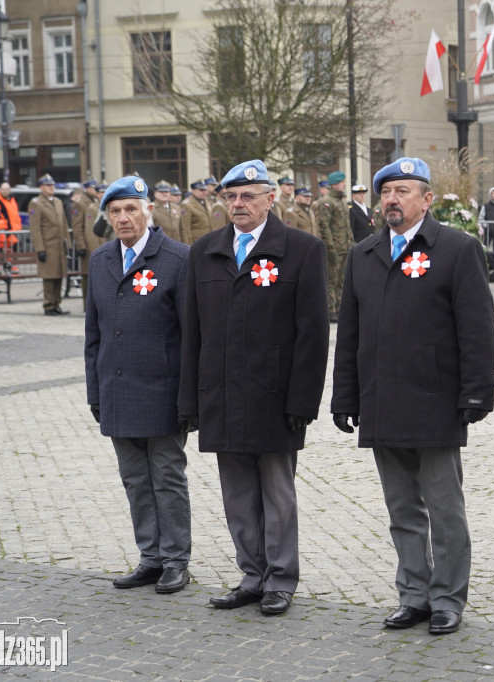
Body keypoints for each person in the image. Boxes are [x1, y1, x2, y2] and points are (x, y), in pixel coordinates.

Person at [331, 157, 494, 636]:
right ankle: (413, 595)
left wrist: (476, 391)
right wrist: (346, 396)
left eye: (403, 191)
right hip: (382, 400)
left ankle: (447, 599)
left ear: (427, 199)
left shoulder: (457, 248)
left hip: (436, 399)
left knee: (445, 509)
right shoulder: (363, 254)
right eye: (386, 192)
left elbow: (477, 326)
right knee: (401, 509)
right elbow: (351, 333)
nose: (391, 200)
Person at [179, 160, 329, 616]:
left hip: (274, 397)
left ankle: (280, 580)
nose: (238, 204)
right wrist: (190, 400)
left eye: (248, 196)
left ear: (270, 198)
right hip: (222, 394)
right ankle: (252, 574)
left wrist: (303, 399)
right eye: (231, 197)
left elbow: (313, 333)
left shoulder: (301, 250)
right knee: (237, 495)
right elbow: (192, 333)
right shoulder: (204, 251)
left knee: (277, 495)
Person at [85, 176, 192, 595]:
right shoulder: (100, 260)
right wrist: (96, 393)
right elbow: (93, 335)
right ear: (108, 217)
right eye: (115, 211)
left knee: (167, 477)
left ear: (148, 209)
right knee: (134, 479)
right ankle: (150, 557)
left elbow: (190, 336)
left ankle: (176, 560)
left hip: (163, 392)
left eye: (131, 208)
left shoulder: (177, 258)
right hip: (117, 391)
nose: (124, 217)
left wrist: (189, 397)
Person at [28, 174, 71, 316]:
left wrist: (68, 244)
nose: (51, 187)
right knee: (49, 277)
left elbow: (64, 224)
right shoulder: (36, 203)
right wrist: (40, 249)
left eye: (52, 185)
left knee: (59, 275)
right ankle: (48, 305)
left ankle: (57, 304)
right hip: (48, 246)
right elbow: (35, 228)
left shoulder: (58, 201)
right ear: (41, 187)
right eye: (48, 185)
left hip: (59, 246)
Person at [316, 170, 353, 323]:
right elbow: (324, 227)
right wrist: (330, 248)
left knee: (342, 280)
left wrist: (351, 243)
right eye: (341, 183)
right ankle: (330, 309)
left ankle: (339, 306)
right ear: (334, 185)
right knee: (331, 280)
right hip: (334, 248)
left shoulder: (342, 202)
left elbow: (346, 226)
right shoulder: (327, 202)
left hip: (344, 246)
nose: (344, 185)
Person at [179, 180, 212, 245]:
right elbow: (185, 228)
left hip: (209, 240)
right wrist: (188, 245)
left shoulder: (207, 202)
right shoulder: (186, 205)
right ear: (193, 191)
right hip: (196, 242)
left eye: (205, 190)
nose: (204, 192)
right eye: (201, 190)